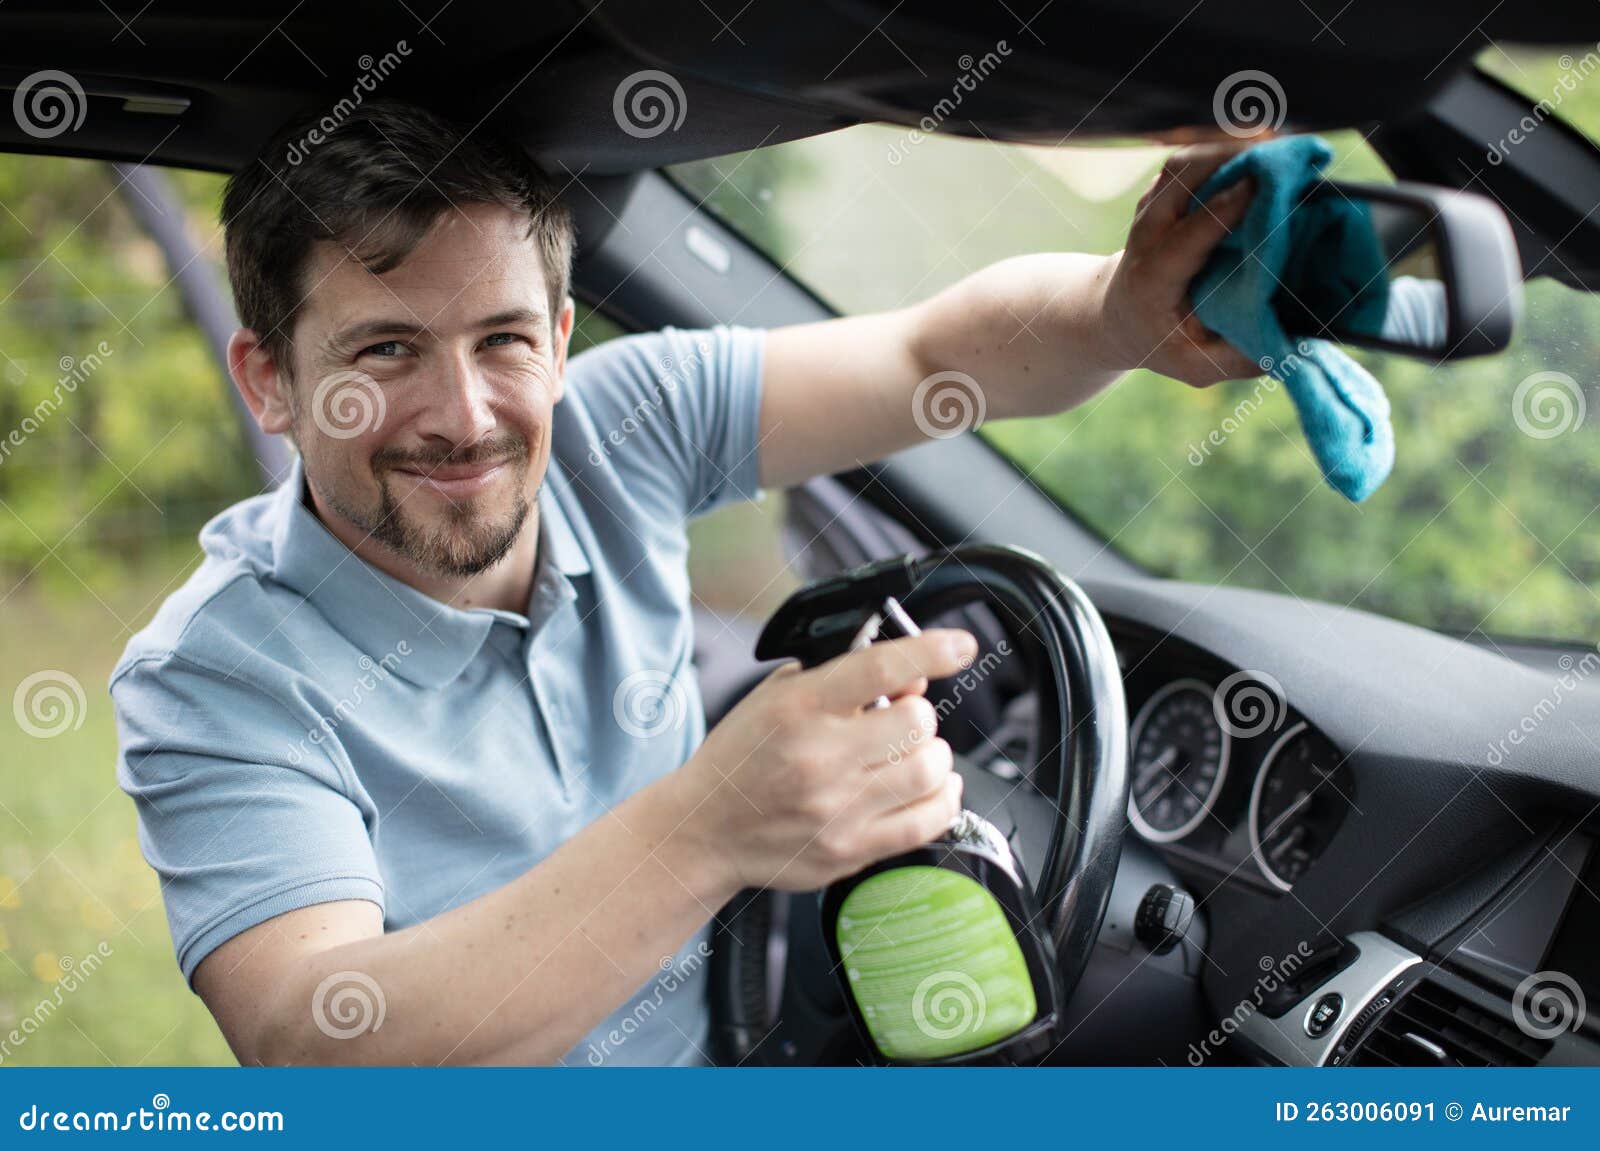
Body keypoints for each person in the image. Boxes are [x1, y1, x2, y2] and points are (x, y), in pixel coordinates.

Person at [111, 100, 1257, 1066]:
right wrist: (707, 828)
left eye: (502, 340)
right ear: (270, 379)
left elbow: (929, 358)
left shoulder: (627, 427)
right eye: (385, 350)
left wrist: (1120, 312)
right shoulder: (214, 673)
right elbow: (317, 1043)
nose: (463, 416)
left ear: (560, 338)